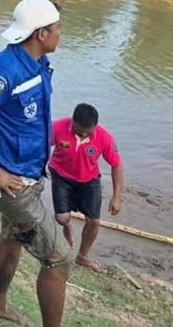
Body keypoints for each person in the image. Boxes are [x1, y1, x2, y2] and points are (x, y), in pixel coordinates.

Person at [0, 0, 70, 327]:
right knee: (58, 258)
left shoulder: (36, 64)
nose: (61, 34)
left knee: (12, 236)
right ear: (40, 34)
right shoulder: (7, 71)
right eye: (57, 29)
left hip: (28, 172)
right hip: (12, 181)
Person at [50, 103, 125, 271]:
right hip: (61, 176)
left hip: (89, 179)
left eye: (88, 132)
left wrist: (116, 197)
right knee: (62, 218)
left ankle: (82, 256)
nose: (83, 135)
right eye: (79, 131)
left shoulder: (104, 137)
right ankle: (68, 227)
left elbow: (116, 165)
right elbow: (38, 146)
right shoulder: (57, 127)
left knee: (94, 221)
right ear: (72, 122)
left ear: (95, 126)